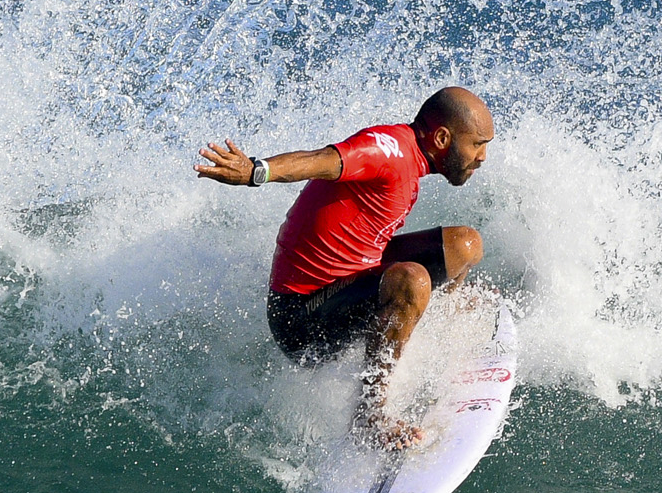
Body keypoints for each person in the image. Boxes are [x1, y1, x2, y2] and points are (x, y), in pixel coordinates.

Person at [195, 87, 494, 449]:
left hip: (353, 277)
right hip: (301, 317)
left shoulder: (411, 159)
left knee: (465, 245)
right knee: (411, 280)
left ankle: (445, 316)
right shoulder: (387, 149)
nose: (482, 157)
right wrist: (257, 171)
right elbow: (323, 160)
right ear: (443, 138)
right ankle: (368, 417)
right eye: (477, 144)